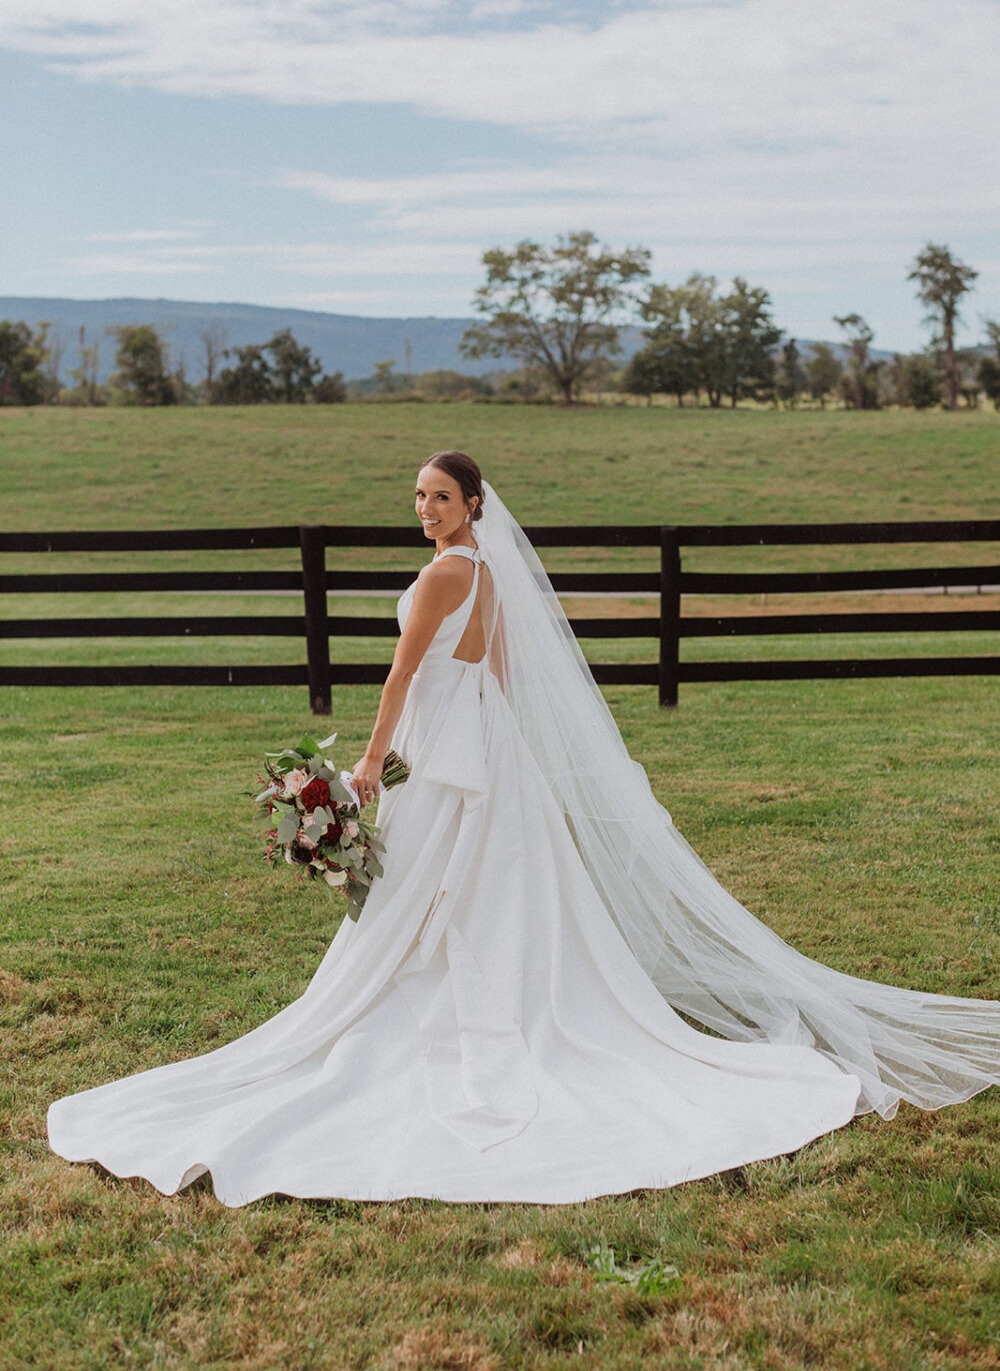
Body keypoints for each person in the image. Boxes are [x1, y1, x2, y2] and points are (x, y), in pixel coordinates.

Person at [48, 452, 999, 1206]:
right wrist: (490, 754)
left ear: (471, 503)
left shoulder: (437, 581)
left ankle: (462, 1015)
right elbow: (495, 675)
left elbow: (400, 677)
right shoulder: (488, 574)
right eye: (417, 497)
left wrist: (372, 764)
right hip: (481, 748)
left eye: (439, 497)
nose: (424, 509)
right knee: (483, 883)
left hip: (438, 744)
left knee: (437, 885)